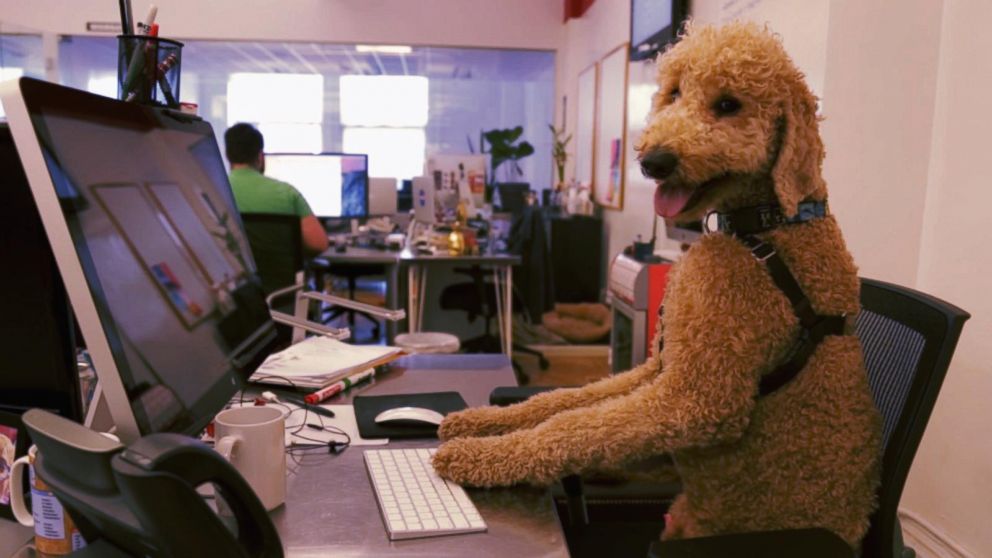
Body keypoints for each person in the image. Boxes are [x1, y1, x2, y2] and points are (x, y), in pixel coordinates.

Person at [224, 123, 328, 256]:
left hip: (236, 275)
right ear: (260, 156)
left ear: (227, 155)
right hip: (280, 275)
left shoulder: (216, 189)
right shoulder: (287, 193)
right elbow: (319, 244)